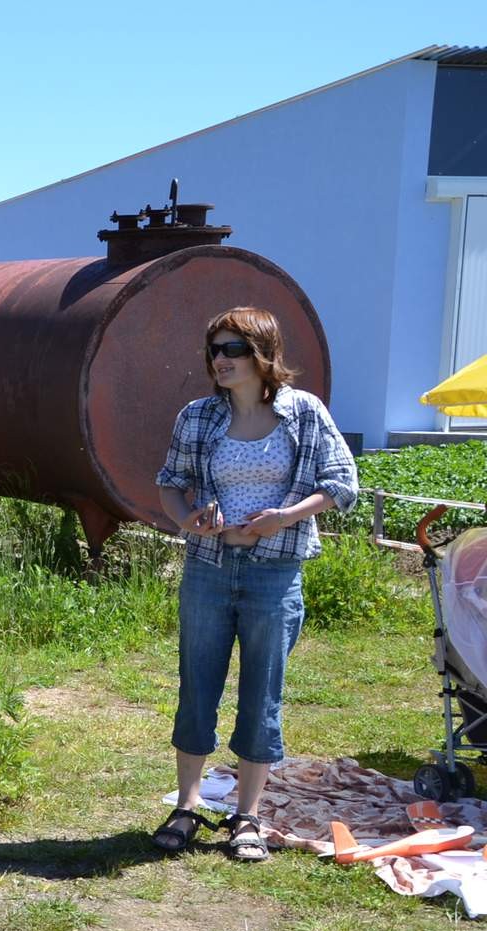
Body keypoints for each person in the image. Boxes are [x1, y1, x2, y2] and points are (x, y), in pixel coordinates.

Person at [151, 307, 358, 862]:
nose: (220, 359)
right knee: (197, 686)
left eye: (233, 349)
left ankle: (247, 816)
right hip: (209, 568)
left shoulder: (304, 412)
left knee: (262, 693)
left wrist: (283, 518)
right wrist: (188, 519)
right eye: (214, 350)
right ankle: (188, 806)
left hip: (275, 572)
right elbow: (170, 484)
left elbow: (342, 483)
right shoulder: (198, 416)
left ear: (263, 353)